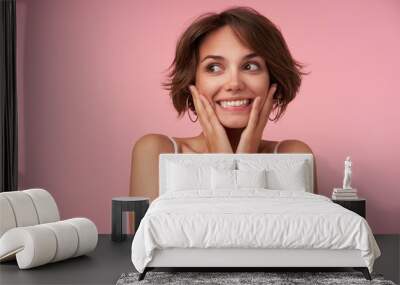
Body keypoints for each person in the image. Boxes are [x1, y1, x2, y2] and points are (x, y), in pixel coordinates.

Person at [129, 6, 319, 207]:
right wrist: (223, 161)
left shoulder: (292, 156)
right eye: (214, 67)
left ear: (272, 80)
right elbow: (142, 238)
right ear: (193, 81)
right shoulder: (156, 151)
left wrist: (245, 162)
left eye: (250, 66)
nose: (234, 84)